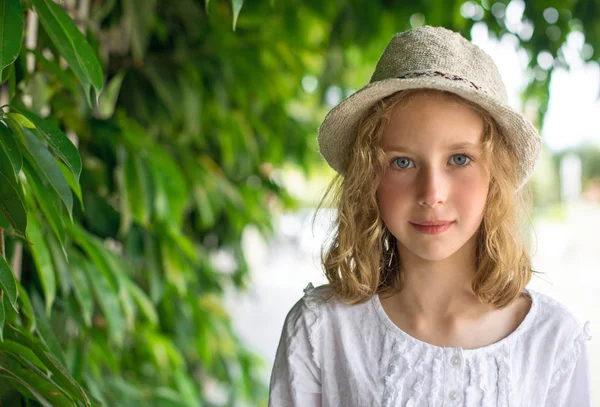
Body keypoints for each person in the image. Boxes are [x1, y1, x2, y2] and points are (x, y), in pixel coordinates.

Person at [268, 25, 593, 406]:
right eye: (402, 162)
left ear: (496, 175)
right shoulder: (321, 331)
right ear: (369, 177)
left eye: (459, 159)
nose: (431, 193)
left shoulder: (551, 341)